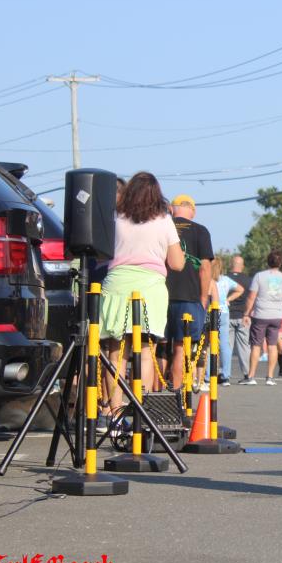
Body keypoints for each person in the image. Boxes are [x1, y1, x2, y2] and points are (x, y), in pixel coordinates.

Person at [98, 172, 185, 412]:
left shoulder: (116, 217)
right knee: (146, 352)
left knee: (116, 353)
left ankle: (114, 412)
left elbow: (101, 255)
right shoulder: (164, 221)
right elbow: (177, 263)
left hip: (117, 285)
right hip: (150, 288)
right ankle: (140, 412)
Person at [165, 194, 214, 390]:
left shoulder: (162, 227)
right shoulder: (200, 231)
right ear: (192, 211)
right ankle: (178, 395)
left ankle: (153, 395)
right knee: (181, 347)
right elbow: (205, 267)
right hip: (189, 297)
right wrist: (203, 297)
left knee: (156, 347)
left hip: (160, 294)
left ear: (171, 209)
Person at [239, 250, 282, 386]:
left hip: (260, 315)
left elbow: (251, 297)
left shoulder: (259, 276)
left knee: (256, 345)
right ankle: (270, 377)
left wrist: (246, 314)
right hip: (277, 316)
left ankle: (251, 376)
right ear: (280, 263)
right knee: (272, 345)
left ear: (267, 262)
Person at [211, 258, 243, 386]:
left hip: (210, 312)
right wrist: (228, 299)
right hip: (224, 312)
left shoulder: (208, 280)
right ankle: (225, 376)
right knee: (224, 344)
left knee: (209, 344)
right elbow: (240, 289)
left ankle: (207, 376)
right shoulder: (225, 280)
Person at [227, 256, 254, 380]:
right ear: (242, 266)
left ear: (231, 265)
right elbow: (251, 298)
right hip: (243, 316)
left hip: (227, 316)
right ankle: (247, 374)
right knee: (244, 347)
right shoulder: (249, 281)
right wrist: (248, 314)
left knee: (226, 346)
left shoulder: (224, 279)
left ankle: (224, 374)